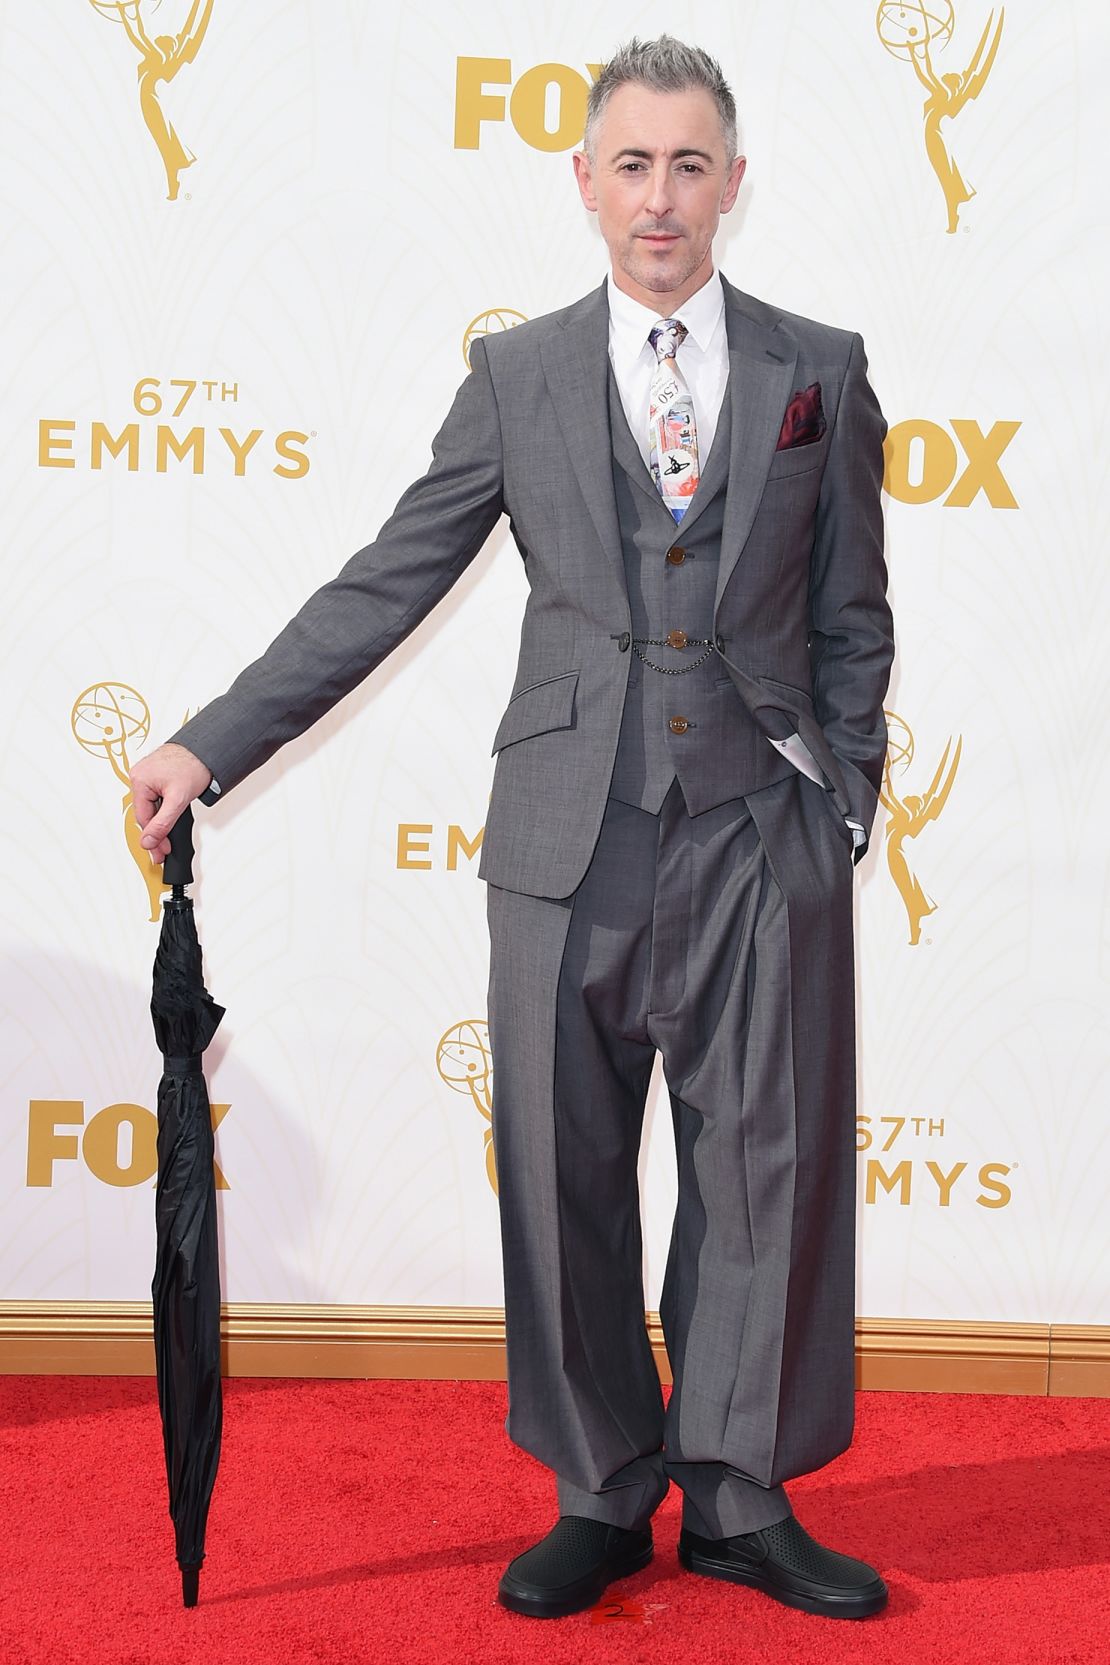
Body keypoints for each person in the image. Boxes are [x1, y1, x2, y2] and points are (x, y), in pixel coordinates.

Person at [131, 36, 895, 1623]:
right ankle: (602, 1491)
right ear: (583, 184)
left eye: (691, 165)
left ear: (733, 186)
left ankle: (741, 1496)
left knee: (766, 1170)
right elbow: (387, 576)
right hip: (568, 834)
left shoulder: (816, 367)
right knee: (560, 1169)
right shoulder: (521, 377)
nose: (660, 197)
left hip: (761, 835)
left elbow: (852, 616)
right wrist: (214, 740)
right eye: (632, 164)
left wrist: (844, 797)